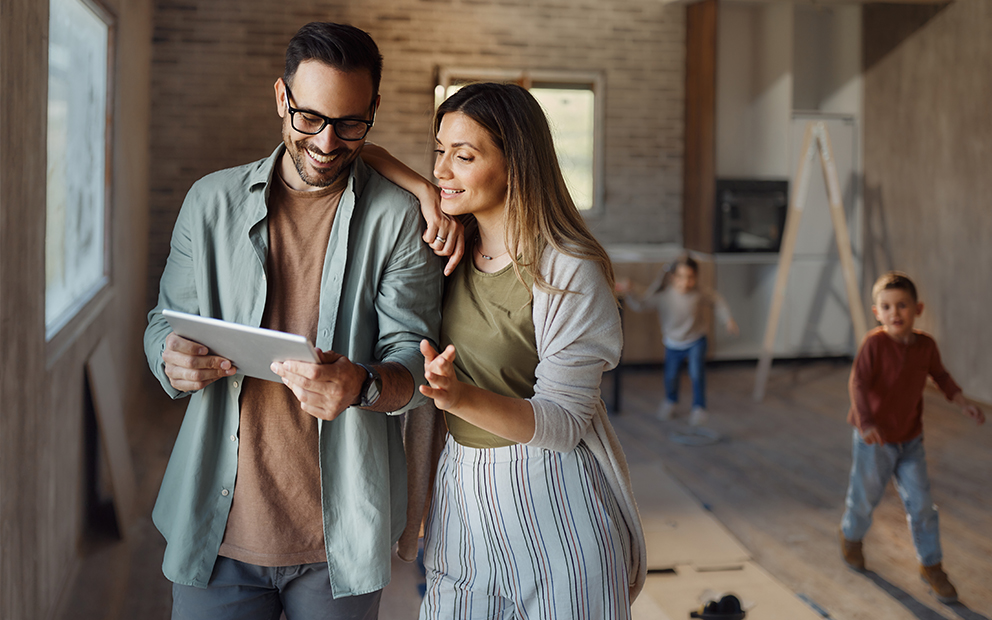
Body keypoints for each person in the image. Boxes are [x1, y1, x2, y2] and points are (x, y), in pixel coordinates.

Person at [143, 22, 445, 619]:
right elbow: (162, 323)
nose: (328, 143)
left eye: (351, 123)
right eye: (309, 118)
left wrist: (362, 384)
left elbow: (417, 360)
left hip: (340, 543)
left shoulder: (399, 219)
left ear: (374, 110)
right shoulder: (210, 202)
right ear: (281, 97)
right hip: (217, 527)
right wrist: (169, 356)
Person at [376, 82, 646, 619]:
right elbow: (362, 153)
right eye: (439, 151)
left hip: (553, 500)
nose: (443, 170)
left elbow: (564, 423)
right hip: (462, 492)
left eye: (465, 155)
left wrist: (456, 396)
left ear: (515, 163)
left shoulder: (569, 271)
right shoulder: (449, 245)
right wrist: (425, 192)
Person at [839, 271, 985, 604]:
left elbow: (941, 377)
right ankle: (851, 537)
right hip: (873, 440)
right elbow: (858, 384)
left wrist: (964, 403)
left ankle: (931, 565)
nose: (895, 313)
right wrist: (866, 423)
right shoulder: (874, 344)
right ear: (877, 312)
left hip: (910, 440)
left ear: (917, 308)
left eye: (902, 305)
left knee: (921, 506)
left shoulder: (926, 346)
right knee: (864, 499)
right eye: (887, 307)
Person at [618, 254, 738, 426]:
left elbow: (717, 300)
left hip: (696, 340)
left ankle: (699, 407)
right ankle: (670, 401)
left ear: (696, 277)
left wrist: (728, 319)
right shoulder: (663, 296)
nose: (686, 282)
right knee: (671, 376)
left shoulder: (699, 292)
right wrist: (630, 292)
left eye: (690, 277)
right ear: (673, 277)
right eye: (681, 277)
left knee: (696, 373)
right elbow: (641, 304)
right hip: (673, 344)